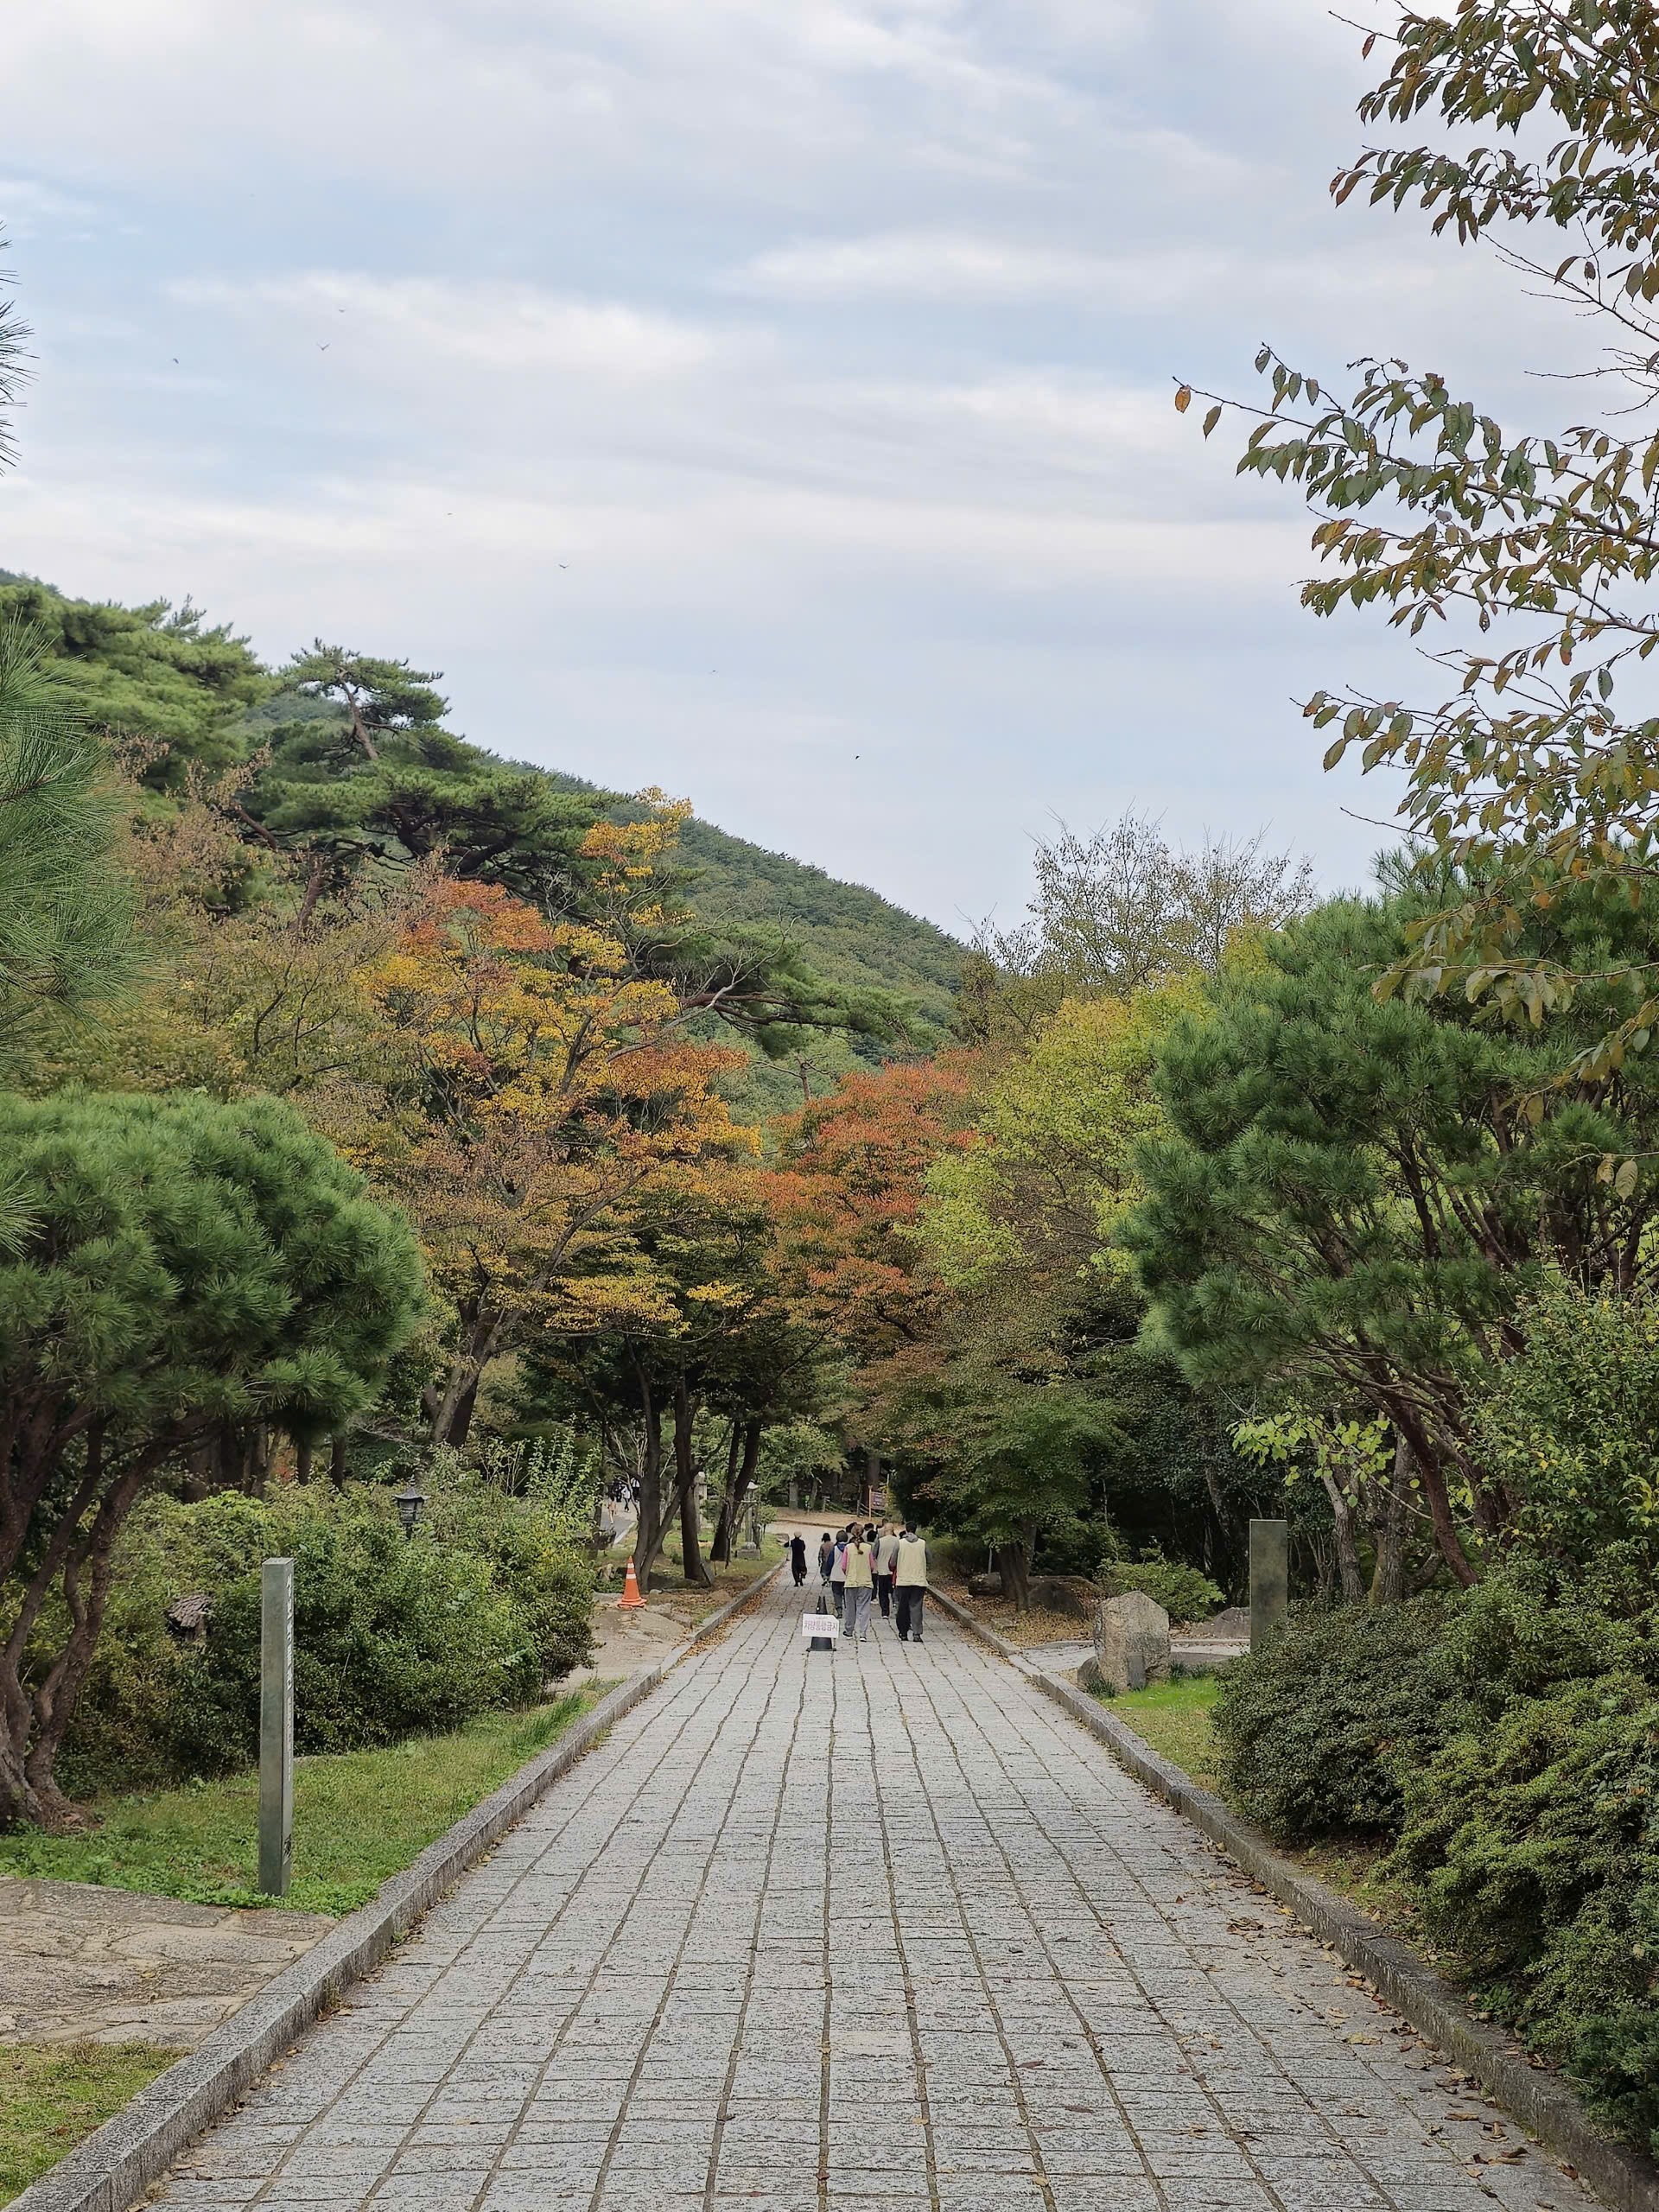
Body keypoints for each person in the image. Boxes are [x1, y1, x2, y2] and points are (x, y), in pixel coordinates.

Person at [894, 1521, 931, 1643]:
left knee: (902, 1607)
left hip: (903, 1580)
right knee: (916, 1607)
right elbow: (930, 1559)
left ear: (906, 1529)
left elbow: (892, 1562)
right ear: (916, 1530)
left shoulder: (899, 1544)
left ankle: (903, 1632)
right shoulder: (923, 1543)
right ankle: (916, 1633)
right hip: (919, 1580)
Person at [842, 1526, 874, 1643]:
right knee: (864, 1607)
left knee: (850, 1608)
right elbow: (872, 1566)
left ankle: (849, 1630)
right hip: (865, 1582)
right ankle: (863, 1632)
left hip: (851, 1581)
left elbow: (844, 1566)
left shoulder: (848, 1548)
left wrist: (848, 1574)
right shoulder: (868, 1548)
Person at [874, 1522, 899, 1620]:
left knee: (883, 1592)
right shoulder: (898, 1541)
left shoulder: (880, 1541)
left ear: (885, 1530)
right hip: (894, 1571)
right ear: (893, 1530)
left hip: (882, 1570)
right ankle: (896, 1605)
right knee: (894, 1591)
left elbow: (874, 1554)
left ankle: (885, 1612)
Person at [829, 1525, 849, 1617]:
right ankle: (849, 1610)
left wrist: (827, 1573)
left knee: (837, 1594)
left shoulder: (834, 1549)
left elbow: (830, 1562)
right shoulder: (849, 1548)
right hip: (847, 1575)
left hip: (836, 1575)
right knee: (847, 1594)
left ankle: (839, 1610)